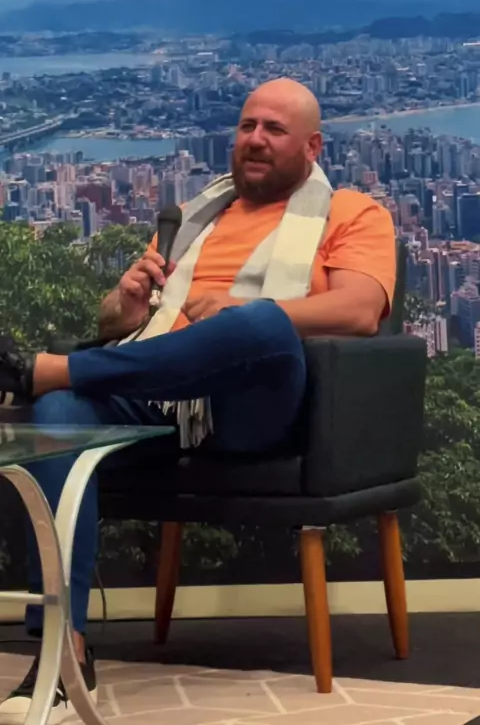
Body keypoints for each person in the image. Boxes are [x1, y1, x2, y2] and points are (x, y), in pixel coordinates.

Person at [0, 78, 395, 725]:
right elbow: (115, 323)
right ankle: (62, 652)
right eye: (247, 126)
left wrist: (239, 310)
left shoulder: (352, 212)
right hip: (156, 397)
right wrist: (123, 306)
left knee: (260, 323)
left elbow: (359, 311)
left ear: (312, 146)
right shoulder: (193, 216)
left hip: (250, 408)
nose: (255, 140)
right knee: (60, 415)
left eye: (274, 129)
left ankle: (45, 370)